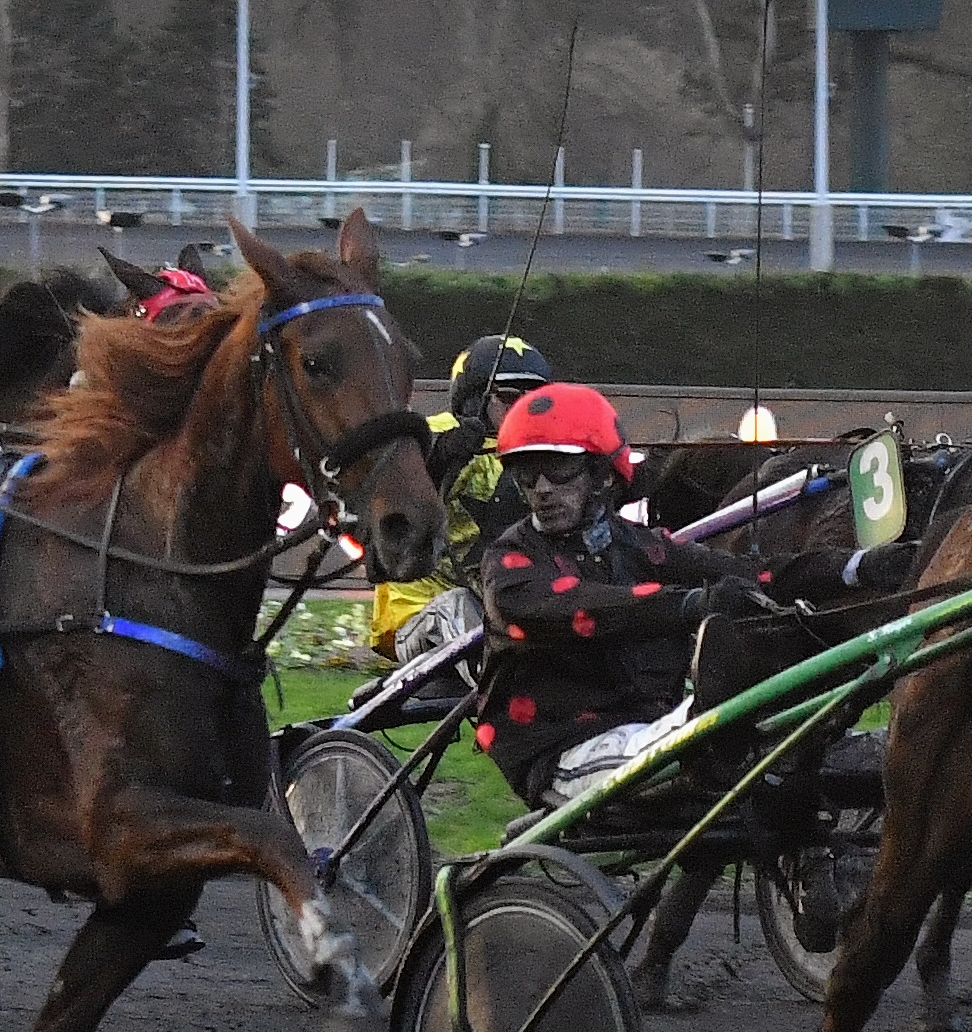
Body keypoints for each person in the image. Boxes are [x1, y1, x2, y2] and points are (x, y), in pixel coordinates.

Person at [466, 377, 897, 804]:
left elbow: (753, 574)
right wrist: (694, 604)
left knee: (772, 740)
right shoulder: (509, 561)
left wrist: (857, 567)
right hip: (558, 748)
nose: (542, 489)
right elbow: (583, 610)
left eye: (558, 470)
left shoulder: (636, 543)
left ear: (601, 475)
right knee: (712, 732)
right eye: (527, 473)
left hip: (645, 726)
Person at [368, 331, 551, 649]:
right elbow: (396, 502)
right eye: (509, 398)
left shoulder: (545, 453)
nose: (523, 410)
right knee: (459, 605)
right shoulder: (428, 436)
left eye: (533, 401)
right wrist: (440, 461)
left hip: (507, 612)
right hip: (421, 613)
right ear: (473, 399)